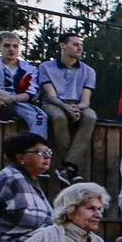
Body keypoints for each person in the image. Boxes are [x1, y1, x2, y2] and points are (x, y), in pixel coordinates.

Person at [35, 30, 99, 171]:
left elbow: (86, 100)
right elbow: (51, 96)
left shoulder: (89, 71)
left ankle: (70, 164)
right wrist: (65, 107)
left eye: (81, 45)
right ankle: (68, 165)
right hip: (53, 103)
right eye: (75, 44)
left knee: (90, 116)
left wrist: (77, 108)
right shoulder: (46, 67)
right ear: (62, 45)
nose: (80, 48)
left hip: (77, 104)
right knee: (59, 117)